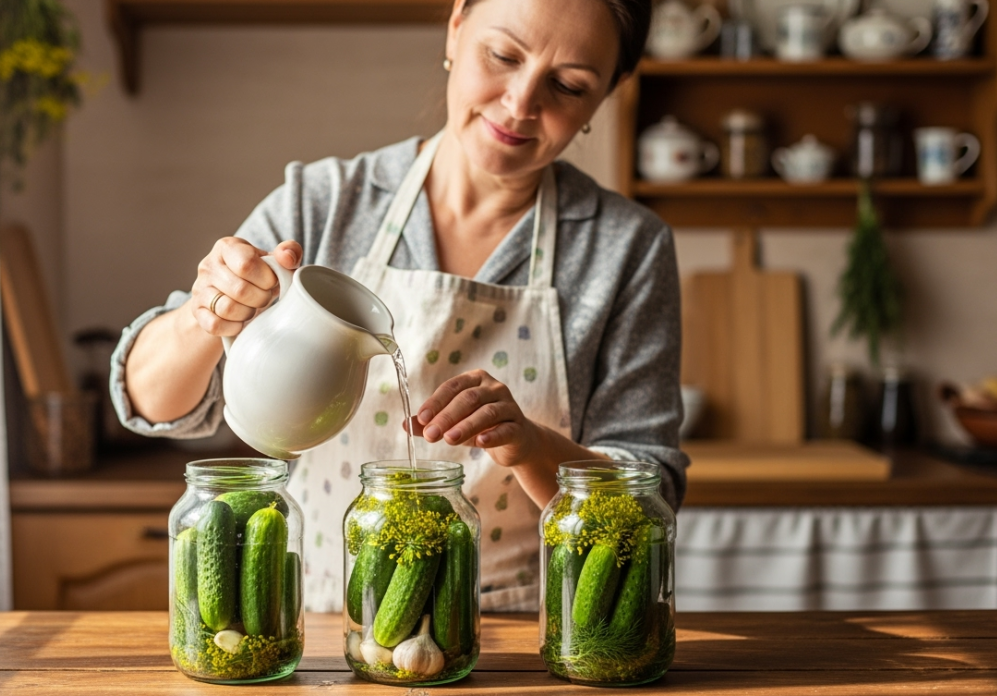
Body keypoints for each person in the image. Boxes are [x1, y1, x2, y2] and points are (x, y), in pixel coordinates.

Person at [110, 0, 688, 612]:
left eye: (569, 85)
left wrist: (536, 450)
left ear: (606, 95)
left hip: (527, 635)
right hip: (329, 629)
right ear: (457, 27)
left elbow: (648, 495)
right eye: (503, 55)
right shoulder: (326, 203)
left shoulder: (626, 247)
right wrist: (207, 314)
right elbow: (153, 402)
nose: (520, 103)